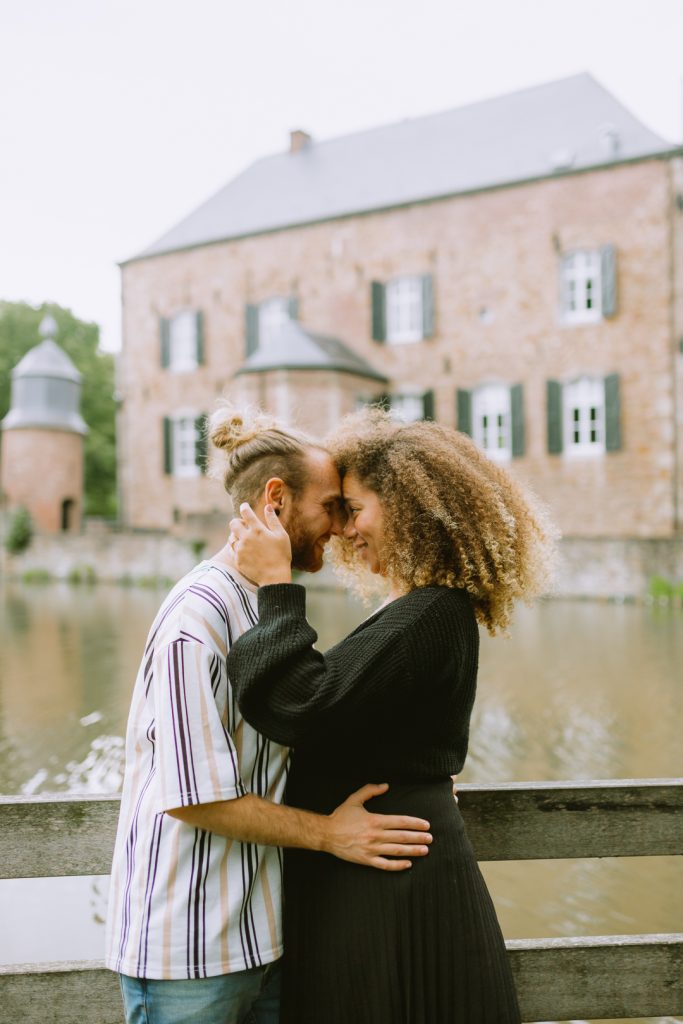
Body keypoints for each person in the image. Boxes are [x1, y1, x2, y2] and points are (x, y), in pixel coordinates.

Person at [226, 408, 558, 1024]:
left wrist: (275, 586)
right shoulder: (418, 608)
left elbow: (300, 705)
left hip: (392, 882)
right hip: (385, 867)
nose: (345, 528)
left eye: (354, 508)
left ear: (408, 505)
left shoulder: (431, 612)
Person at [105, 405, 433, 1024]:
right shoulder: (195, 621)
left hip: (264, 943)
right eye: (331, 506)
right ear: (276, 500)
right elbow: (195, 797)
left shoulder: (270, 609)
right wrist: (331, 835)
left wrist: (417, 776)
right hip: (189, 958)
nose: (339, 527)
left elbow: (310, 720)